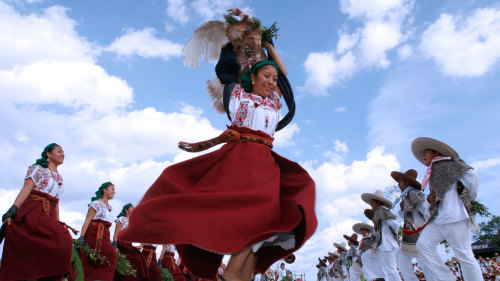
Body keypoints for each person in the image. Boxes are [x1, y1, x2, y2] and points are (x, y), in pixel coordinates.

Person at [119, 21, 317, 281]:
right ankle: (231, 274)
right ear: (252, 78)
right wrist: (239, 40)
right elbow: (228, 69)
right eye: (266, 76)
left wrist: (267, 45)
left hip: (266, 164)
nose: (271, 81)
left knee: (271, 218)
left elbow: (282, 71)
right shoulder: (238, 94)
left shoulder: (274, 102)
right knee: (250, 217)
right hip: (239, 159)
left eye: (274, 78)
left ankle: (238, 276)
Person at [411, 137, 482, 281]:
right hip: (438, 218)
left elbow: (472, 176)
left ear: (435, 152)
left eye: (426, 152)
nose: (423, 155)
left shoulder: (449, 163)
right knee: (423, 245)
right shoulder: (432, 171)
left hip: (454, 216)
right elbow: (434, 197)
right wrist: (429, 201)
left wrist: (469, 198)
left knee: (464, 254)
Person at [0, 143, 73, 280]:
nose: (63, 154)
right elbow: (26, 189)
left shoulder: (59, 178)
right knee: (64, 236)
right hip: (34, 209)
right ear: (48, 154)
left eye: (63, 152)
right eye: (59, 151)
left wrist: (56, 221)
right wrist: (12, 210)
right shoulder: (37, 169)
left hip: (50, 212)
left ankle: (46, 275)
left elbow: (56, 202)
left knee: (58, 237)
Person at [391, 169, 429, 281]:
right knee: (401, 256)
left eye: (401, 181)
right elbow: (408, 217)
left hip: (420, 232)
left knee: (426, 261)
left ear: (407, 182)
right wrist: (403, 209)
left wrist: (427, 229)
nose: (398, 184)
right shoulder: (407, 196)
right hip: (413, 233)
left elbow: (425, 210)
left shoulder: (412, 194)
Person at [78, 182, 118, 280]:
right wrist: (82, 237)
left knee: (109, 256)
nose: (114, 191)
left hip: (105, 234)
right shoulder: (96, 203)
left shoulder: (109, 207)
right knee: (110, 255)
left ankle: (99, 278)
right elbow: (87, 220)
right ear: (104, 190)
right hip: (95, 234)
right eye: (112, 189)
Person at [361, 190, 401, 281]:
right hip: (381, 246)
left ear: (378, 202)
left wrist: (391, 236)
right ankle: (376, 278)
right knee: (366, 256)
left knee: (391, 270)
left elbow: (395, 224)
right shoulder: (378, 215)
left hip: (388, 245)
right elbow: (378, 233)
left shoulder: (381, 210)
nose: (371, 205)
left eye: (372, 204)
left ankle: (377, 277)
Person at [113, 203, 149, 281]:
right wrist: (115, 246)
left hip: (129, 245)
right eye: (132, 208)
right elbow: (116, 234)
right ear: (126, 211)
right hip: (121, 244)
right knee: (134, 258)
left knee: (139, 256)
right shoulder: (122, 219)